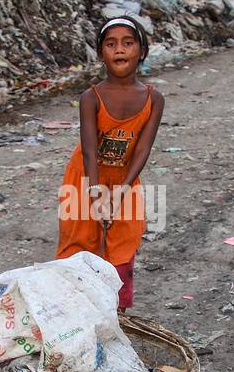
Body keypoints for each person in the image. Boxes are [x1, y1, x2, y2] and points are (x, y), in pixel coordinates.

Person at [56, 18, 164, 311]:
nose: (119, 50)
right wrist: (96, 195)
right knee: (79, 243)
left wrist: (120, 192)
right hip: (84, 179)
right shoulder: (90, 97)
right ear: (101, 53)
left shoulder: (154, 99)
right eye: (111, 44)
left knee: (123, 242)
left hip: (125, 180)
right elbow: (90, 152)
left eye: (128, 43)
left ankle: (116, 312)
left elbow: (142, 148)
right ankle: (75, 311)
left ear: (142, 51)